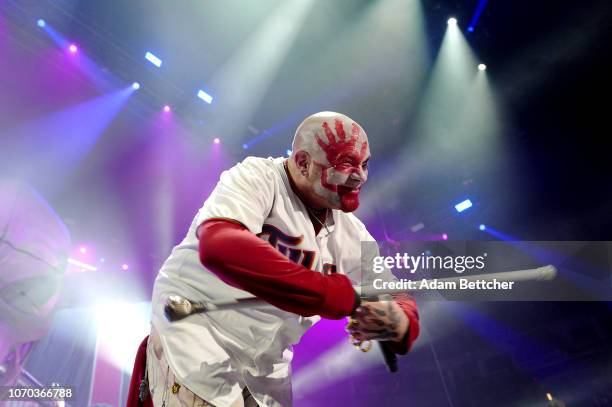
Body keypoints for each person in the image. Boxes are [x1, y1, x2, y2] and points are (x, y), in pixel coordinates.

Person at [138, 112, 420, 407]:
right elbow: (219, 244)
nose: (360, 175)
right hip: (199, 335)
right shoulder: (257, 177)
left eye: (364, 165)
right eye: (346, 164)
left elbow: (396, 296)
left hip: (266, 366)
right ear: (302, 162)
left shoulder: (353, 234)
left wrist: (397, 321)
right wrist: (330, 292)